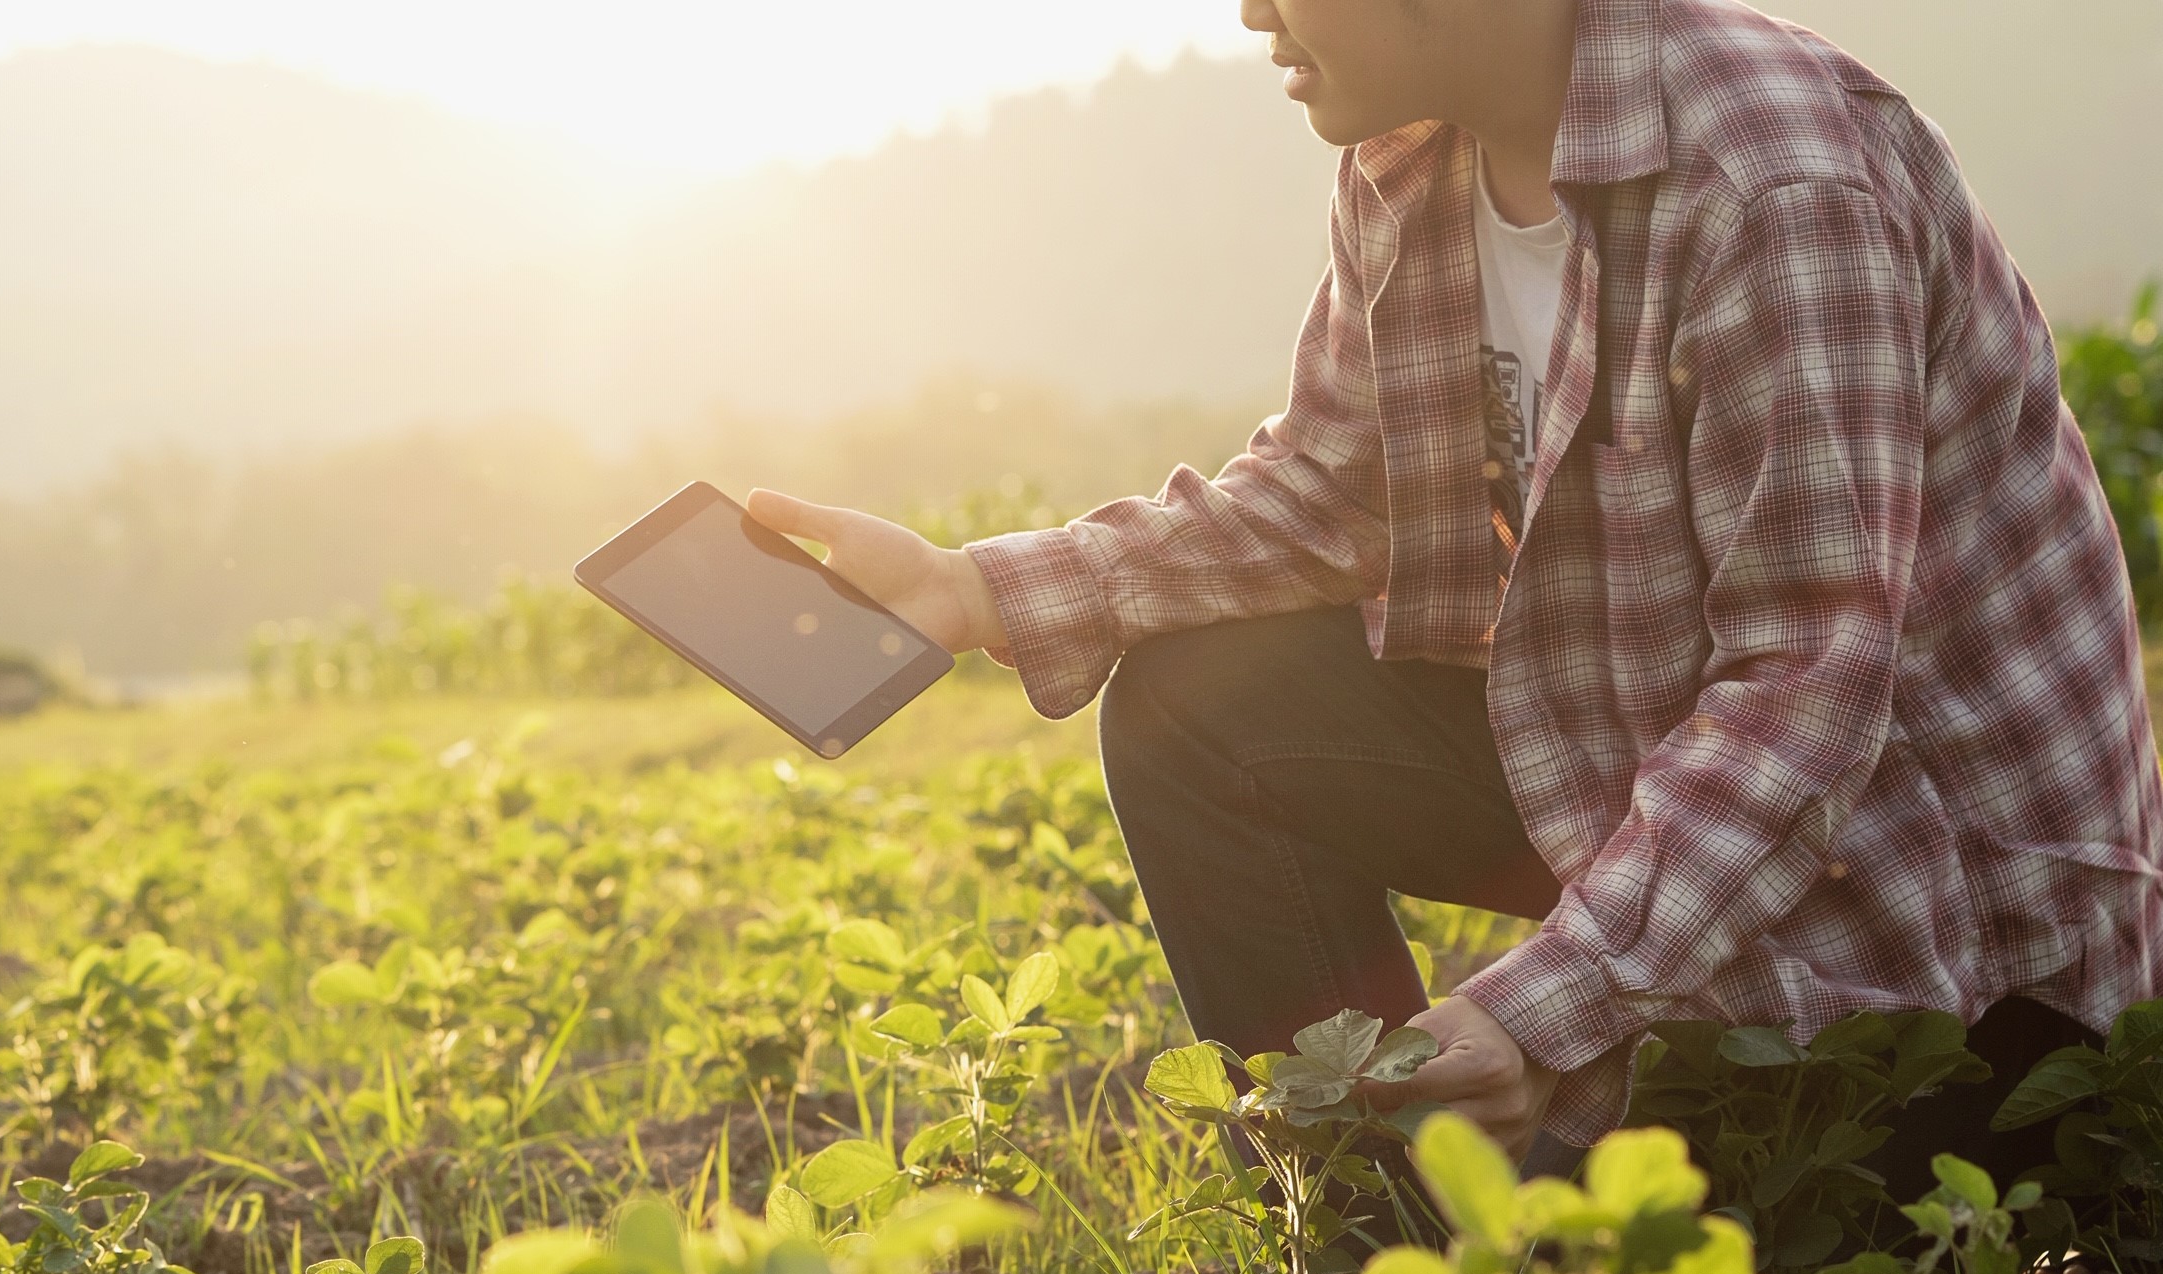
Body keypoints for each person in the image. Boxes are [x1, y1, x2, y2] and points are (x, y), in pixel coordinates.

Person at [747, 0, 2163, 1193]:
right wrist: (970, 587)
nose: (1250, 14)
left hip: (1935, 935)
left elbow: (1808, 692)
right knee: (1200, 706)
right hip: (1673, 801)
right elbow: (1337, 483)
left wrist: (1540, 1015)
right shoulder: (1411, 159)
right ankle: (1386, 1229)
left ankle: (1517, 1196)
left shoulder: (1775, 182)